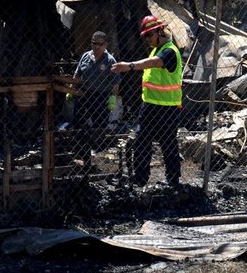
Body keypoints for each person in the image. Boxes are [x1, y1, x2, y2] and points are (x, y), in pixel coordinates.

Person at [112, 16, 183, 188]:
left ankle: (173, 180)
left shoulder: (169, 51)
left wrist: (129, 65)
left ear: (159, 32)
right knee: (142, 141)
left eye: (149, 35)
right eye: (145, 36)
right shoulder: (156, 49)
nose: (147, 39)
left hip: (168, 108)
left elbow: (155, 63)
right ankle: (140, 178)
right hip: (149, 106)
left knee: (168, 144)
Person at [73, 31, 119, 129]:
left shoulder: (110, 60)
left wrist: (113, 98)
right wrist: (71, 89)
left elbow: (116, 82)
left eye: (100, 44)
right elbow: (77, 74)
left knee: (99, 126)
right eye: (94, 43)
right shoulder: (85, 56)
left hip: (101, 96)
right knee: (78, 122)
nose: (96, 47)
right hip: (84, 94)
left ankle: (97, 142)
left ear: (105, 45)